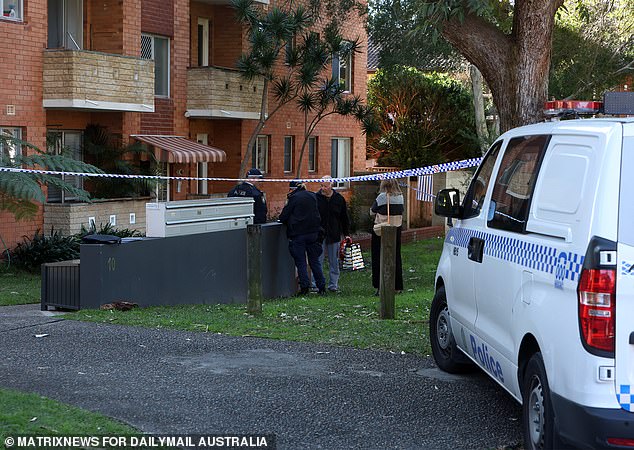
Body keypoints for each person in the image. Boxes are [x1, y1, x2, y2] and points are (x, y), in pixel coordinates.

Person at [279, 181, 326, 296]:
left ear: (292, 189)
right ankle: (321, 286)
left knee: (301, 262)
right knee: (314, 261)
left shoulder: (294, 198)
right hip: (313, 233)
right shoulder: (312, 195)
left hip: (298, 234)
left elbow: (284, 216)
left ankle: (304, 287)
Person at [315, 177, 350, 292]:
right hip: (319, 233)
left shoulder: (339, 199)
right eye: (321, 186)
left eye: (325, 186)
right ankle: (316, 284)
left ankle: (333, 284)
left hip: (334, 233)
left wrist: (346, 234)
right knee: (317, 259)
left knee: (333, 260)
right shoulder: (317, 198)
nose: (323, 188)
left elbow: (344, 217)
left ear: (331, 185)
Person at [370, 179, 404, 295]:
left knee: (379, 257)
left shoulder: (381, 197)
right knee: (395, 256)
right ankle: (397, 286)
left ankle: (380, 286)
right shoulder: (401, 197)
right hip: (396, 229)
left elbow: (372, 211)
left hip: (381, 230)